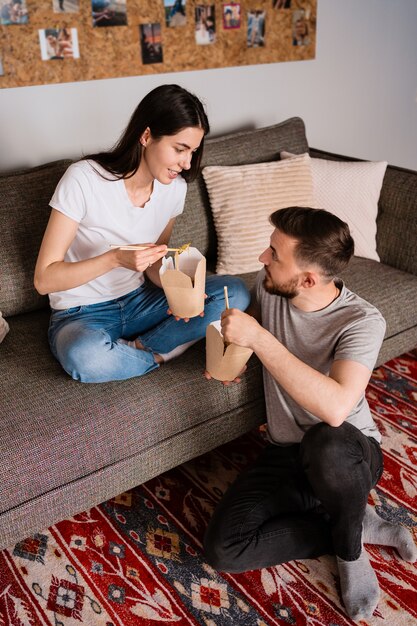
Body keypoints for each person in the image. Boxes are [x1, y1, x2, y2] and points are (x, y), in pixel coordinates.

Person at [204, 207, 417, 620]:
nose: (263, 258)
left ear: (307, 280)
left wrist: (261, 341)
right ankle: (354, 523)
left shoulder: (361, 320)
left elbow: (337, 407)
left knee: (326, 440)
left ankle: (349, 550)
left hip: (350, 452)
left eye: (274, 253)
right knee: (224, 550)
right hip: (287, 452)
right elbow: (246, 343)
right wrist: (232, 359)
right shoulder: (269, 288)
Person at [34, 84, 250, 383]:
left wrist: (181, 292)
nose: (187, 163)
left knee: (236, 292)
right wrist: (114, 259)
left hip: (140, 300)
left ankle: (137, 350)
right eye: (180, 149)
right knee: (85, 357)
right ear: (146, 136)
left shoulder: (175, 189)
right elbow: (44, 279)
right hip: (80, 313)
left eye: (193, 151)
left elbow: (153, 263)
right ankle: (162, 354)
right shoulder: (84, 179)